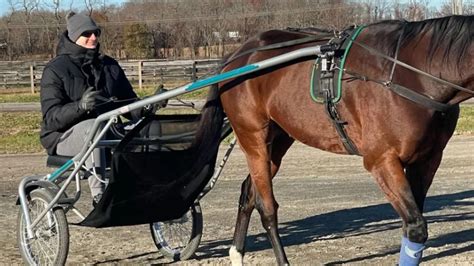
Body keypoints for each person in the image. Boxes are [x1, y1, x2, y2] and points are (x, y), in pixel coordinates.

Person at [40, 12, 139, 205]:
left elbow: (127, 104)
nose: (93, 37)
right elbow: (51, 118)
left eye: (96, 32)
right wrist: (80, 107)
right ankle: (99, 196)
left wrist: (146, 107)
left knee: (145, 127)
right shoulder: (55, 69)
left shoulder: (109, 66)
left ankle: (154, 186)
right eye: (87, 33)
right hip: (63, 137)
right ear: (74, 36)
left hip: (106, 132)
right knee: (94, 126)